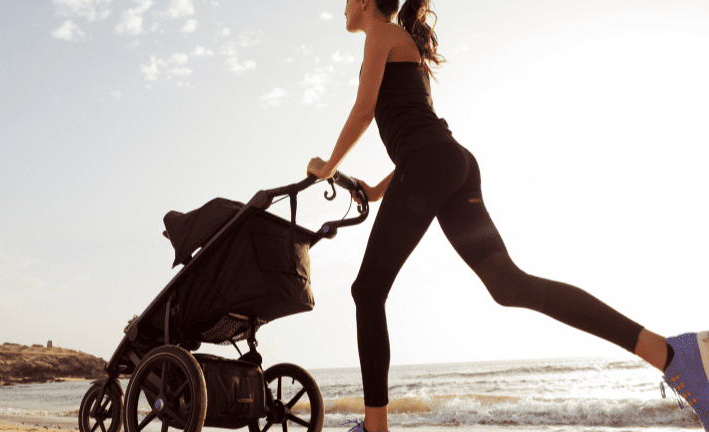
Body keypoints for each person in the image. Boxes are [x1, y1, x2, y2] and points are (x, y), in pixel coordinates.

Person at [304, 0, 709, 431]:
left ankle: (374, 426)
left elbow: (365, 112)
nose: (343, 6)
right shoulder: (402, 45)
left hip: (431, 163)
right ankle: (670, 353)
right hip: (450, 163)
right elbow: (419, 133)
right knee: (508, 285)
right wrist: (377, 190)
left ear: (365, 2)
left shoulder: (381, 36)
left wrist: (326, 167)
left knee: (367, 291)